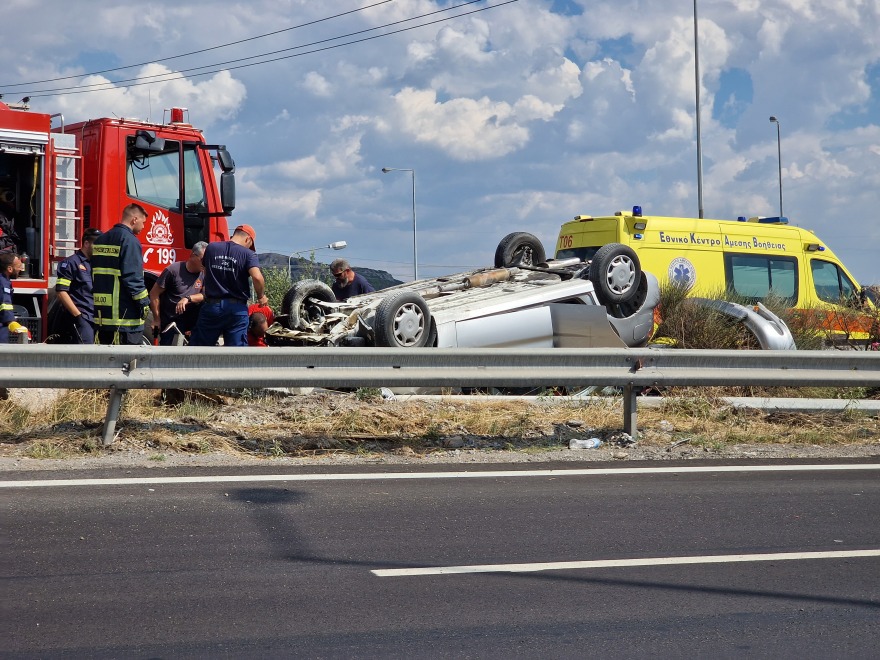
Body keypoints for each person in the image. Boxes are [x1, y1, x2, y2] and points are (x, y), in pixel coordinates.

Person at [189, 224, 268, 347]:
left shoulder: (211, 248)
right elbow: (257, 277)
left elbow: (204, 268)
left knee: (200, 350)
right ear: (248, 239)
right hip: (236, 309)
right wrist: (261, 296)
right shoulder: (248, 254)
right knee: (236, 354)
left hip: (212, 306)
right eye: (250, 245)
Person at [91, 203, 150, 345]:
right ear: (134, 219)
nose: (143, 227)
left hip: (102, 316)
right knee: (125, 362)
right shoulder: (130, 241)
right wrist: (144, 304)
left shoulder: (100, 240)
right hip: (125, 318)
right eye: (143, 222)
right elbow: (133, 277)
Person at [149, 241, 207, 345]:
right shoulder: (173, 270)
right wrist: (156, 320)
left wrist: (188, 298)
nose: (206, 263)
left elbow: (205, 295)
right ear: (193, 255)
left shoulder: (204, 273)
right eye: (203, 260)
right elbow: (154, 293)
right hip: (171, 322)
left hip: (191, 322)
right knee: (168, 354)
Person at [54, 227, 102, 344]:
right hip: (83, 317)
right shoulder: (71, 263)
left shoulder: (96, 264)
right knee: (85, 354)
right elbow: (61, 292)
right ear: (86, 243)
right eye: (97, 245)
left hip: (96, 317)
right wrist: (78, 316)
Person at [0, 252, 22, 344]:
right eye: (18, 267)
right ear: (9, 268)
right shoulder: (2, 282)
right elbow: (5, 304)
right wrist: (11, 321)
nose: (20, 269)